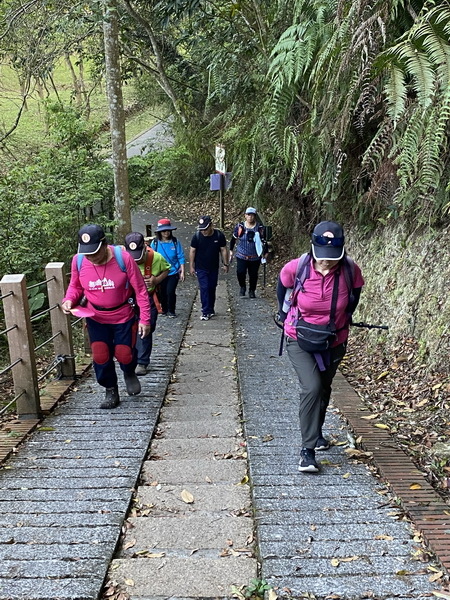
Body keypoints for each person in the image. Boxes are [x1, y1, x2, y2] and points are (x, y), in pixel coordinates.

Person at [278, 221, 364, 473]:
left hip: (334, 340)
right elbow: (282, 290)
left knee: (324, 388)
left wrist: (340, 323)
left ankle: (316, 434)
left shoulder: (350, 271)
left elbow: (353, 300)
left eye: (332, 258)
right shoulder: (296, 268)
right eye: (322, 257)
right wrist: (284, 317)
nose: (327, 262)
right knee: (312, 387)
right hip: (299, 337)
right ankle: (307, 451)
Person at [62, 224, 151, 409]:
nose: (91, 258)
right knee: (101, 355)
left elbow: (141, 289)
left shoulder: (123, 258)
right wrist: (69, 300)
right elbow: (75, 286)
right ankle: (110, 389)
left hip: (123, 315)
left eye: (95, 253)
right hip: (95, 316)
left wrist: (145, 319)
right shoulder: (78, 261)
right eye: (87, 254)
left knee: (124, 354)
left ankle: (129, 372)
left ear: (104, 244)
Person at [124, 232, 170, 376]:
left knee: (147, 328)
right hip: (129, 300)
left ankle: (141, 360)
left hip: (149, 298)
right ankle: (140, 360)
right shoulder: (120, 258)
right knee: (133, 328)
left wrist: (156, 280)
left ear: (145, 248)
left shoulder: (156, 257)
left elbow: (167, 269)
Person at [189, 215, 229, 320]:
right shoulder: (197, 237)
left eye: (205, 229)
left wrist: (225, 264)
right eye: (202, 229)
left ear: (211, 225)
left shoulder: (219, 235)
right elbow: (192, 251)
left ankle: (210, 308)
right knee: (204, 287)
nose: (204, 231)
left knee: (212, 287)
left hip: (213, 267)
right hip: (201, 267)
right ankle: (205, 310)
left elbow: (223, 249)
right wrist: (191, 266)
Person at [150, 218, 185, 318]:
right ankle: (164, 309)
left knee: (170, 291)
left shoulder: (175, 242)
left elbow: (180, 256)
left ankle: (171, 310)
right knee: (162, 292)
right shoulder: (155, 243)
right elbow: (151, 257)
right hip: (160, 273)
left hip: (173, 272)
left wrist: (182, 270)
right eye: (164, 231)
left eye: (168, 230)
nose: (166, 233)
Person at [229, 207, 268, 298]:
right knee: (240, 272)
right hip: (241, 255)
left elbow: (264, 241)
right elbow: (233, 239)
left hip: (255, 256)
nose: (250, 217)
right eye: (248, 215)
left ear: (255, 216)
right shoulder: (240, 227)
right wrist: (231, 250)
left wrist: (265, 253)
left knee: (253, 274)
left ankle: (252, 290)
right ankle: (242, 286)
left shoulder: (260, 228)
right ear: (245, 216)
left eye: (252, 215)